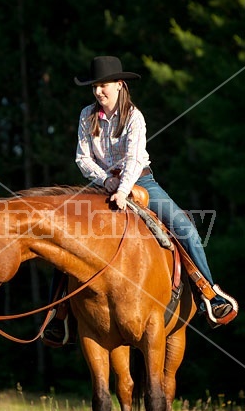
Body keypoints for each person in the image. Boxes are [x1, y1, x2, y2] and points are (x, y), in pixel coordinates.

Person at [43, 56, 237, 346]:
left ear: (119, 85)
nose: (98, 92)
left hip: (140, 181)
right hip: (102, 184)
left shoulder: (134, 117)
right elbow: (82, 158)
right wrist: (107, 182)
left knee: (184, 226)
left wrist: (122, 189)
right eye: (94, 86)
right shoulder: (87, 115)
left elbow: (134, 159)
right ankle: (58, 315)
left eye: (104, 85)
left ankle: (208, 292)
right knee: (67, 238)